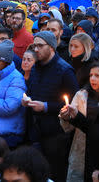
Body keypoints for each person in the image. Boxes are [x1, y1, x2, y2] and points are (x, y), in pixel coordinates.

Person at [23, 31, 79, 182]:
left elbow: (73, 102)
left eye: (40, 46)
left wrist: (46, 107)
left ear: (52, 47)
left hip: (56, 135)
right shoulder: (35, 67)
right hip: (36, 131)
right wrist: (27, 99)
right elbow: (32, 90)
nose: (35, 49)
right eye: (34, 46)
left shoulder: (65, 70)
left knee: (53, 174)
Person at [59, 61, 99, 182]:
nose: (93, 79)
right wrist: (66, 117)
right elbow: (69, 128)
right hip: (82, 148)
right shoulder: (82, 95)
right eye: (91, 75)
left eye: (97, 75)